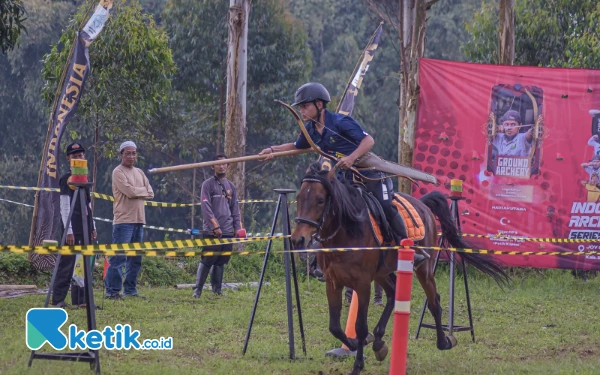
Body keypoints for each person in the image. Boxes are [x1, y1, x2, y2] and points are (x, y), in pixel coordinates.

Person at [258, 82, 428, 269]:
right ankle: (322, 259)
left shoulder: (340, 122)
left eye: (305, 106)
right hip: (344, 179)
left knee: (386, 206)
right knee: (329, 209)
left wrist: (351, 157)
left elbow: (368, 140)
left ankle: (408, 250)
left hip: (368, 173)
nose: (302, 112)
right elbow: (297, 146)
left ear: (319, 105)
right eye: (300, 108)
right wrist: (273, 150)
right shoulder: (311, 131)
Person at [104, 141, 154, 299]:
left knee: (135, 258)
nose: (132, 156)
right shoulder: (118, 172)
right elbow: (130, 192)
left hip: (139, 219)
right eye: (128, 153)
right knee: (119, 257)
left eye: (134, 153)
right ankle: (112, 291)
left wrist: (137, 191)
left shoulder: (139, 172)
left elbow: (151, 193)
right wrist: (141, 191)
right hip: (123, 220)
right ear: (121, 154)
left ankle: (130, 290)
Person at [52, 142, 97, 308]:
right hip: (72, 228)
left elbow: (88, 205)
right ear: (68, 159)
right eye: (75, 156)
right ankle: (58, 300)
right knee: (67, 264)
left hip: (86, 228)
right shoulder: (67, 179)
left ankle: (81, 300)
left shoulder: (84, 179)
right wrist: (68, 230)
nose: (79, 158)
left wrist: (93, 227)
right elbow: (64, 206)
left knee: (84, 265)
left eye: (81, 155)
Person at [193, 154, 242, 298]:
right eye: (218, 164)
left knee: (221, 260)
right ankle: (198, 290)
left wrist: (237, 228)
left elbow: (235, 209)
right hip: (212, 231)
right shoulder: (207, 185)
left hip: (228, 230)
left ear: (228, 165)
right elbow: (205, 206)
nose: (221, 166)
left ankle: (217, 290)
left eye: (224, 163)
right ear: (212, 166)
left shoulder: (231, 186)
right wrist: (215, 226)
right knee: (208, 259)